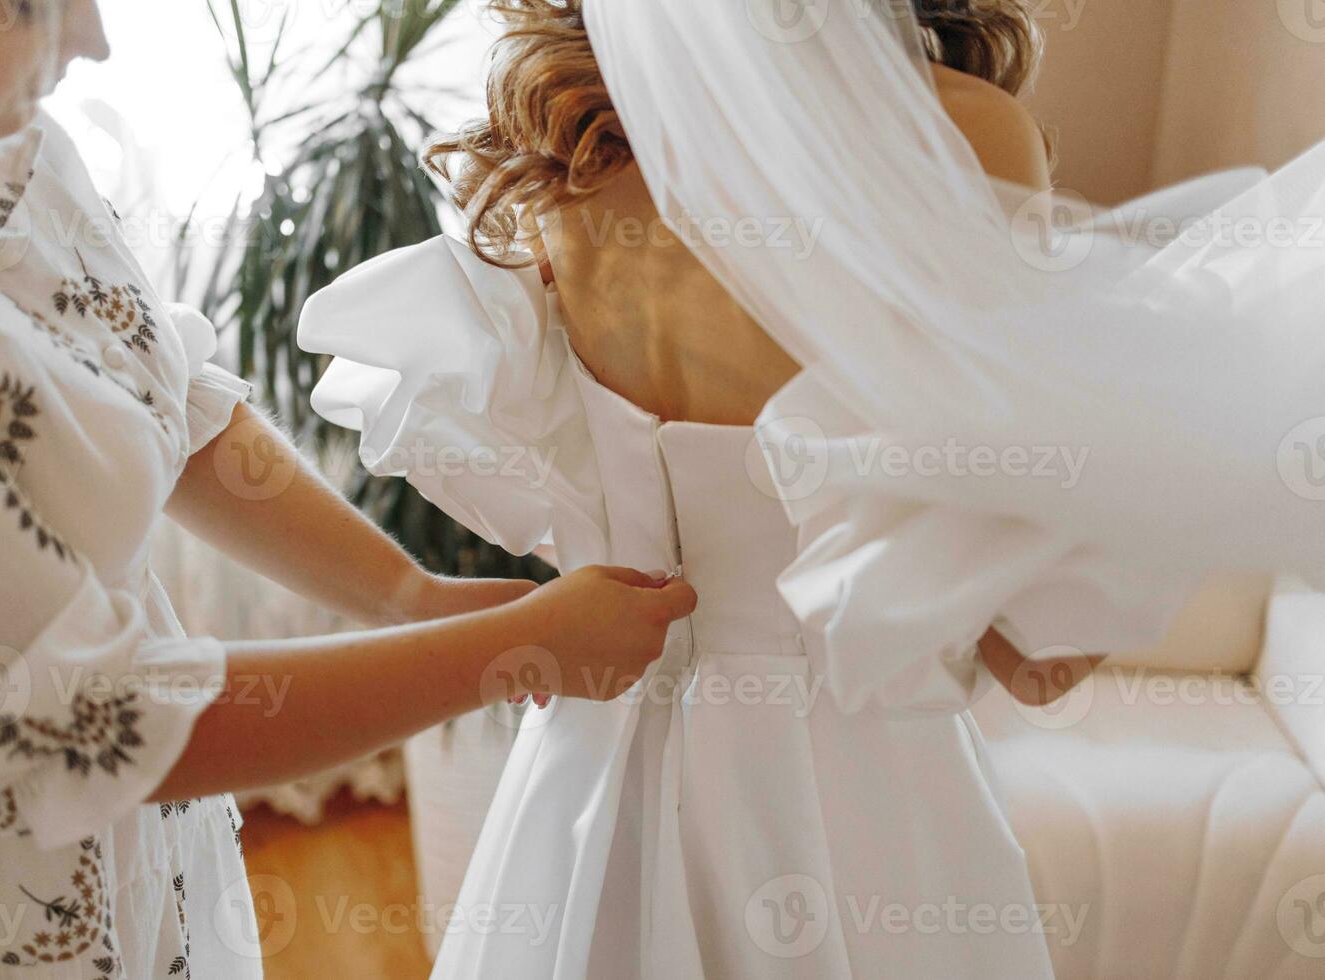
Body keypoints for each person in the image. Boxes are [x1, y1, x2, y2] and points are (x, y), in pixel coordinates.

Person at [0, 3, 696, 976]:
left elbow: (162, 393)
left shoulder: (4, 134)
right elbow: (91, 713)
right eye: (29, 7)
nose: (92, 40)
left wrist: (408, 594)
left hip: (151, 845)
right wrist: (513, 649)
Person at [299, 2, 1103, 976]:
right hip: (863, 763)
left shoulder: (574, 138)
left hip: (604, 734)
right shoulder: (965, 135)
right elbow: (1033, 649)